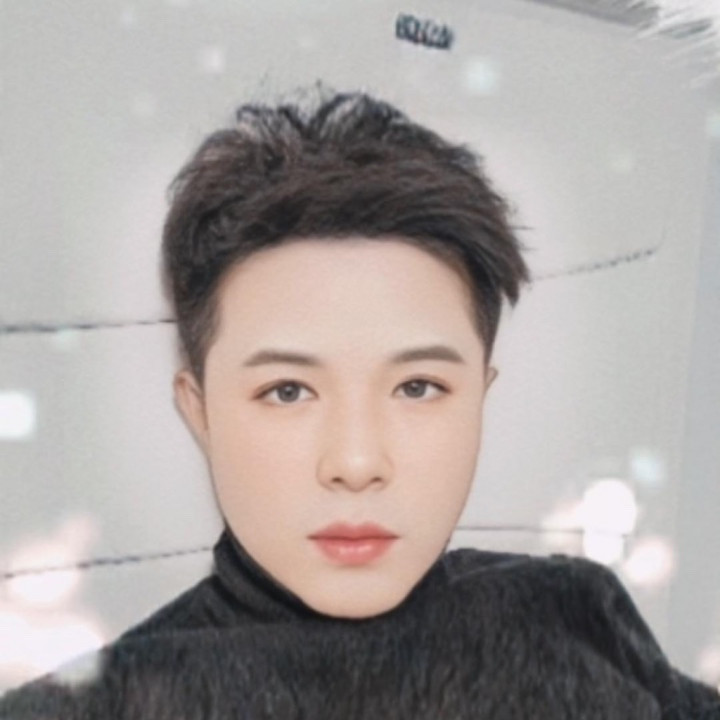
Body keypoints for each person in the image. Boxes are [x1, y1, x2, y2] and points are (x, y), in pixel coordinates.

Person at [1, 85, 718, 719]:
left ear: (481, 396)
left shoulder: (579, 613)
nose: (356, 462)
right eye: (287, 391)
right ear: (199, 410)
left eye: (418, 387)